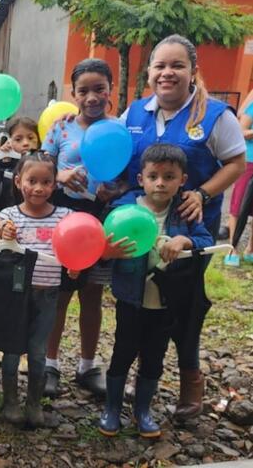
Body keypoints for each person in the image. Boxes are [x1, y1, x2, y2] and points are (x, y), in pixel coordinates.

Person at [122, 34, 246, 420]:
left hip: (189, 234)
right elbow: (125, 165)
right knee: (141, 302)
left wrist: (204, 195)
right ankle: (142, 378)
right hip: (143, 229)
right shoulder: (135, 113)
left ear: (193, 71)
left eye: (177, 65)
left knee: (184, 306)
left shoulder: (215, 115)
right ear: (150, 71)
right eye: (160, 65)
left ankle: (191, 383)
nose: (167, 73)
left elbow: (236, 164)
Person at [99, 144, 212, 438]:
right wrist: (107, 251)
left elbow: (205, 241)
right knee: (122, 352)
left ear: (182, 179)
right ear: (141, 179)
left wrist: (185, 242)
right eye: (153, 176)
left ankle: (142, 410)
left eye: (169, 176)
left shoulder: (186, 212)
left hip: (166, 302)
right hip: (130, 299)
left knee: (154, 356)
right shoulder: (123, 209)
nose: (160, 182)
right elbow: (100, 246)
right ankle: (112, 408)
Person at [41, 59, 119, 398]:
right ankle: (50, 364)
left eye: (99, 89)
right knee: (59, 295)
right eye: (84, 90)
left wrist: (114, 189)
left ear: (110, 91)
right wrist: (58, 176)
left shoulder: (120, 129)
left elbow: (131, 173)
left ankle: (88, 366)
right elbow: (40, 166)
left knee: (93, 295)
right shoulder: (61, 128)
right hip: (64, 218)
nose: (92, 97)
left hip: (101, 216)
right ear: (73, 93)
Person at [0, 153, 71, 427]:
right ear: (17, 181)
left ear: (55, 185)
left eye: (46, 181)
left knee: (38, 350)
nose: (38, 188)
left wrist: (76, 265)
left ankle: (34, 402)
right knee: (12, 349)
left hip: (48, 293)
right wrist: (4, 234)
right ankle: (10, 401)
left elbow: (78, 245)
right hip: (16, 293)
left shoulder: (65, 217)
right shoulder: (9, 216)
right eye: (32, 180)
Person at [224, 92, 253, 266]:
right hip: (249, 162)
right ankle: (231, 248)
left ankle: (250, 249)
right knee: (239, 205)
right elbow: (241, 132)